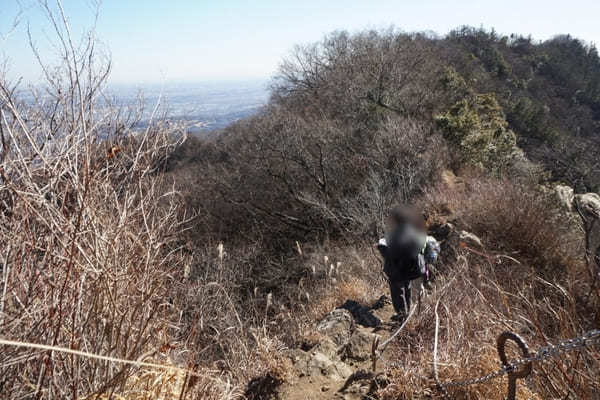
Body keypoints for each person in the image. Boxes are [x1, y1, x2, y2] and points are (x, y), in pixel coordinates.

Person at [375, 206, 439, 320]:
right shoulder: (415, 233)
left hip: (396, 269)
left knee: (398, 291)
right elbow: (422, 245)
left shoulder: (393, 235)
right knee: (407, 287)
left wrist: (382, 246)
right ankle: (408, 312)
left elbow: (390, 250)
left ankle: (402, 315)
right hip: (412, 268)